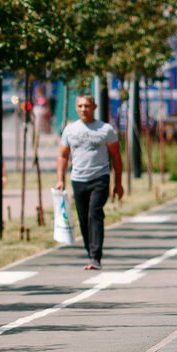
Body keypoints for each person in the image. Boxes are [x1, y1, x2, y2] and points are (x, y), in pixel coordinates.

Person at [55, 93, 124, 270]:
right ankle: (90, 251)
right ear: (76, 108)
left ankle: (95, 255)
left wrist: (118, 183)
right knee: (83, 217)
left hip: (100, 177)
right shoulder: (70, 130)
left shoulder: (105, 129)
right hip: (78, 179)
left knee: (95, 213)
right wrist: (60, 180)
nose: (83, 109)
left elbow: (116, 157)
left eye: (87, 106)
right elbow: (63, 156)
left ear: (94, 107)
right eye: (80, 106)